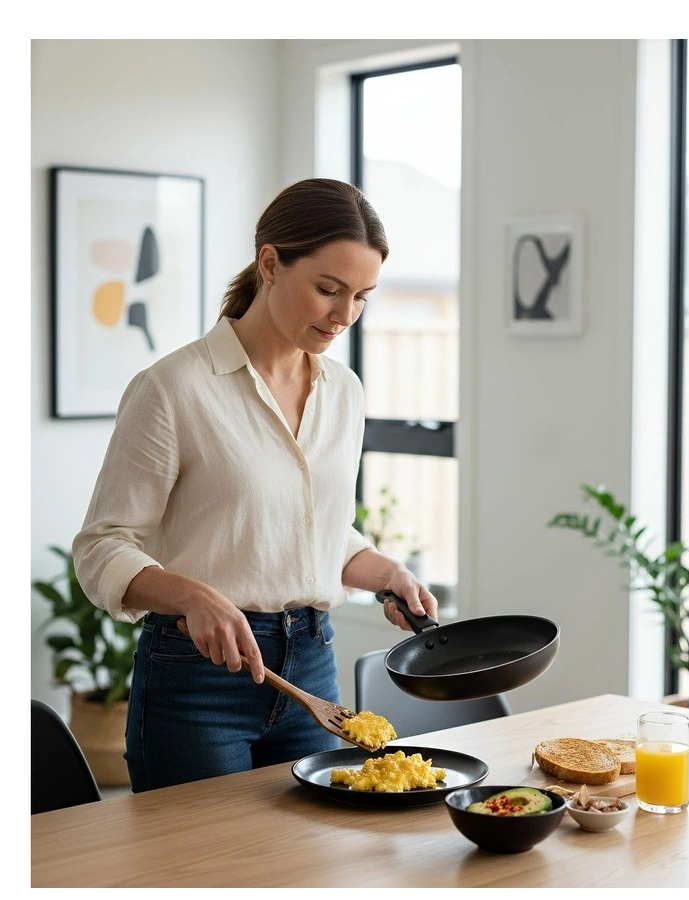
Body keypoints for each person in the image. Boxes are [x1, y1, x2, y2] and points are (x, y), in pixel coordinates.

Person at [72, 177, 438, 792]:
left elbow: (312, 530)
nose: (344, 315)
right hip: (197, 679)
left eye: (362, 297)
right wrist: (193, 595)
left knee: (306, 876)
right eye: (328, 290)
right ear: (270, 263)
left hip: (313, 669)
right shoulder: (173, 389)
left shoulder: (343, 392)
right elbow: (102, 547)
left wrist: (387, 573)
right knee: (204, 879)